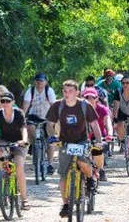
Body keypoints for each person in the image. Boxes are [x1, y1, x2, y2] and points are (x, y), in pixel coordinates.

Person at [45, 80, 102, 218]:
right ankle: (65, 205)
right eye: (64, 91)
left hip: (81, 141)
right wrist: (52, 136)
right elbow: (49, 124)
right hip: (65, 142)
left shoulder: (84, 105)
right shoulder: (57, 106)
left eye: (70, 91)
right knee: (63, 175)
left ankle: (89, 179)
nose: (67, 93)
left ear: (77, 92)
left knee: (83, 162)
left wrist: (99, 141)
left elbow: (94, 124)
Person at [0, 92, 31, 210]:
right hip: (5, 141)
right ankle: (5, 177)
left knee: (19, 166)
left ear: (13, 102)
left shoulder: (18, 113)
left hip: (19, 142)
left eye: (7, 101)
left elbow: (23, 128)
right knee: (1, 158)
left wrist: (24, 140)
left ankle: (24, 200)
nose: (5, 103)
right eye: (2, 101)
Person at [22, 72, 57, 174]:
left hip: (47, 116)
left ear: (45, 82)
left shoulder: (49, 91)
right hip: (34, 116)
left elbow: (53, 105)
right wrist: (21, 118)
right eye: (37, 81)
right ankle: (34, 144)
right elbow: (25, 106)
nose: (39, 83)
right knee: (30, 127)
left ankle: (49, 164)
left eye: (41, 81)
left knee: (50, 140)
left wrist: (54, 119)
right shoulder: (30, 91)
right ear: (34, 82)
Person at [82, 87, 113, 181]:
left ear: (97, 98)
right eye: (87, 97)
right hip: (84, 136)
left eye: (93, 97)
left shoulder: (102, 109)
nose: (90, 99)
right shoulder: (79, 110)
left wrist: (110, 134)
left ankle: (101, 169)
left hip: (99, 136)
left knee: (97, 151)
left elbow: (108, 122)